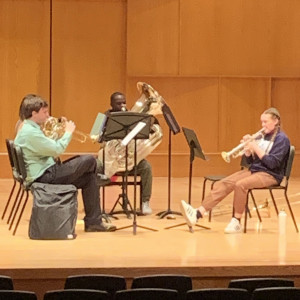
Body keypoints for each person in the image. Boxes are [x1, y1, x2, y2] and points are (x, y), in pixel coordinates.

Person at [14, 94, 116, 232]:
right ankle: (100, 176)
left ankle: (94, 222)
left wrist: (58, 133)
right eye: (44, 112)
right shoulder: (30, 133)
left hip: (47, 171)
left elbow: (47, 146)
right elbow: (56, 150)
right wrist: (67, 132)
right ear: (34, 113)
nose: (48, 115)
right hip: (45, 177)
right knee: (90, 160)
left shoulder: (29, 128)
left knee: (89, 179)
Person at [180, 107, 290, 234]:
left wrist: (255, 146)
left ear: (276, 121)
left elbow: (272, 163)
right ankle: (198, 213)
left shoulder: (282, 139)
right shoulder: (262, 136)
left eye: (265, 122)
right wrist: (248, 152)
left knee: (241, 185)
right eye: (261, 122)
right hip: (256, 171)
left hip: (271, 175)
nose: (262, 125)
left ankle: (236, 221)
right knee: (225, 182)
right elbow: (250, 163)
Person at [98, 92, 153, 215]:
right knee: (95, 167)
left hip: (128, 158)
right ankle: (96, 205)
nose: (122, 105)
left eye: (124, 102)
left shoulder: (133, 116)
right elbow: (94, 136)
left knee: (146, 167)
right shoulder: (102, 117)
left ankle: (145, 203)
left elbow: (140, 137)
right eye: (118, 103)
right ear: (111, 104)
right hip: (110, 158)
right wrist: (103, 136)